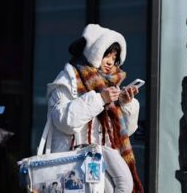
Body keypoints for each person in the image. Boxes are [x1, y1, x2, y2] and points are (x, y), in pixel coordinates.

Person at [47, 24, 144, 193]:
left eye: (114, 57)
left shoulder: (111, 84)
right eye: (107, 55)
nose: (110, 62)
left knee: (125, 185)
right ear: (94, 51)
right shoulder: (68, 79)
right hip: (74, 164)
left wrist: (125, 104)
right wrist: (100, 99)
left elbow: (124, 132)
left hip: (101, 159)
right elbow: (64, 120)